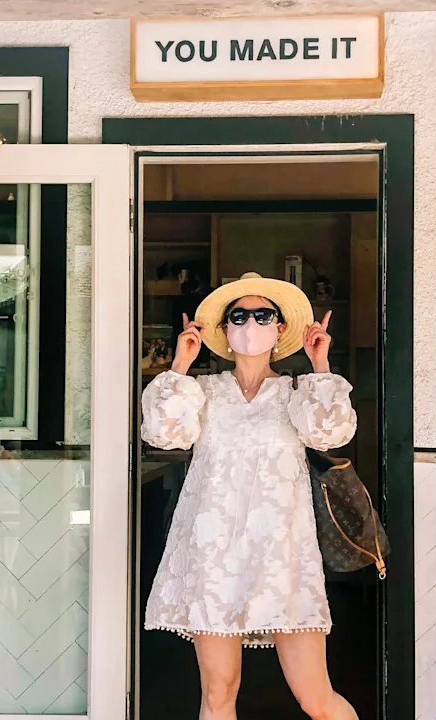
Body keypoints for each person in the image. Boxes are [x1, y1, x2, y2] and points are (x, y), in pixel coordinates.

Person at [141, 272, 359, 720]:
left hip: (283, 558)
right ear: (223, 329)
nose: (251, 323)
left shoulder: (295, 393)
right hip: (213, 558)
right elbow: (164, 434)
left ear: (281, 329)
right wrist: (180, 365)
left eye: (264, 315)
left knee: (316, 697)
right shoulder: (203, 392)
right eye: (239, 315)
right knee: (218, 694)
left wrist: (320, 364)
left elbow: (331, 431)